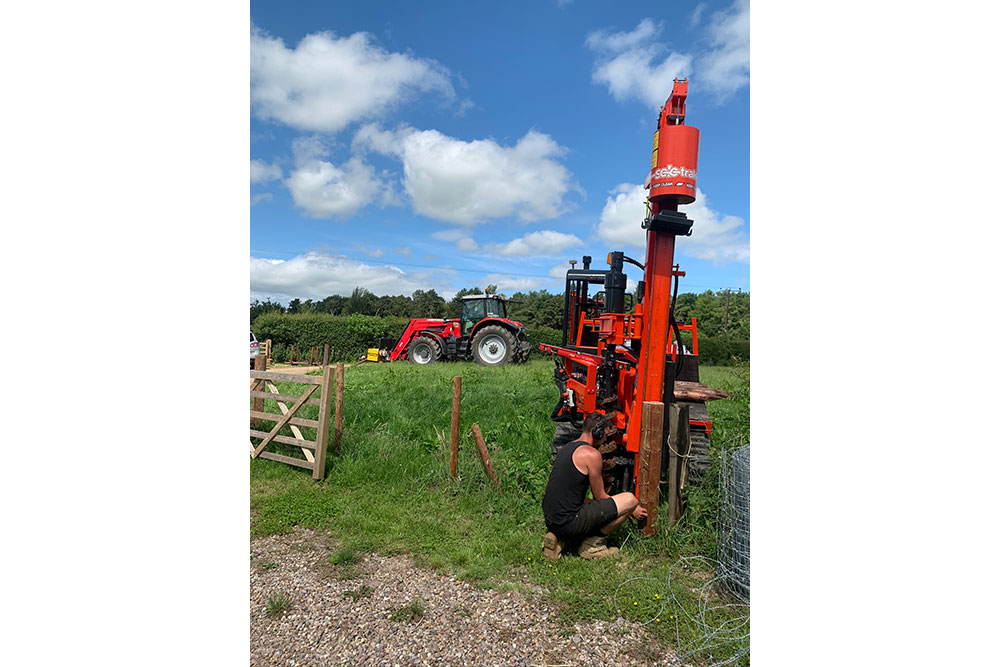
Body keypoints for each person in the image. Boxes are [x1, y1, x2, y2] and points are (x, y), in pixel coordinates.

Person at [541, 413, 647, 560]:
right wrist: (632, 510)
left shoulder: (567, 448)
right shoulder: (592, 455)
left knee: (588, 508)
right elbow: (600, 496)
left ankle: (559, 539)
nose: (605, 440)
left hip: (551, 519)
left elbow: (570, 492)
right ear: (597, 433)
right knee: (629, 500)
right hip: (568, 521)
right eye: (604, 435)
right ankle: (592, 546)